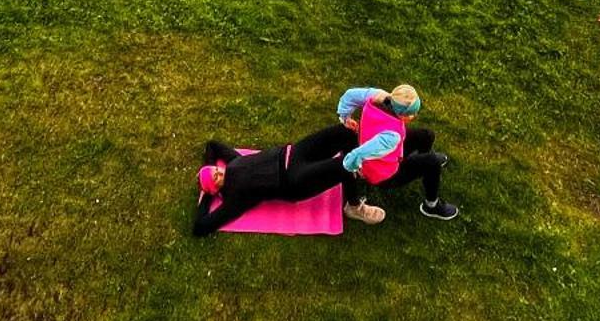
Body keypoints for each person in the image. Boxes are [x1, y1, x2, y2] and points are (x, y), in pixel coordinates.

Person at [193, 128, 386, 233]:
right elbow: (201, 226)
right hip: (294, 181)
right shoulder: (235, 198)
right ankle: (353, 207)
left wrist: (206, 170)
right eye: (215, 177)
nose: (218, 171)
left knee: (346, 133)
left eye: (215, 169)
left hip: (293, 153)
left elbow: (212, 145)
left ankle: (366, 165)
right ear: (215, 189)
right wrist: (206, 197)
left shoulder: (233, 161)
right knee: (344, 166)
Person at [335, 83, 459, 220]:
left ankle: (425, 164)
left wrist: (345, 117)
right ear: (402, 115)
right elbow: (360, 153)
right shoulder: (391, 137)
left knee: (426, 135)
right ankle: (432, 206)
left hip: (382, 147)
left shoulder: (378, 96)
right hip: (385, 175)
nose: (415, 115)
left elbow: (349, 96)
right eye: (412, 114)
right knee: (433, 162)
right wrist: (353, 167)